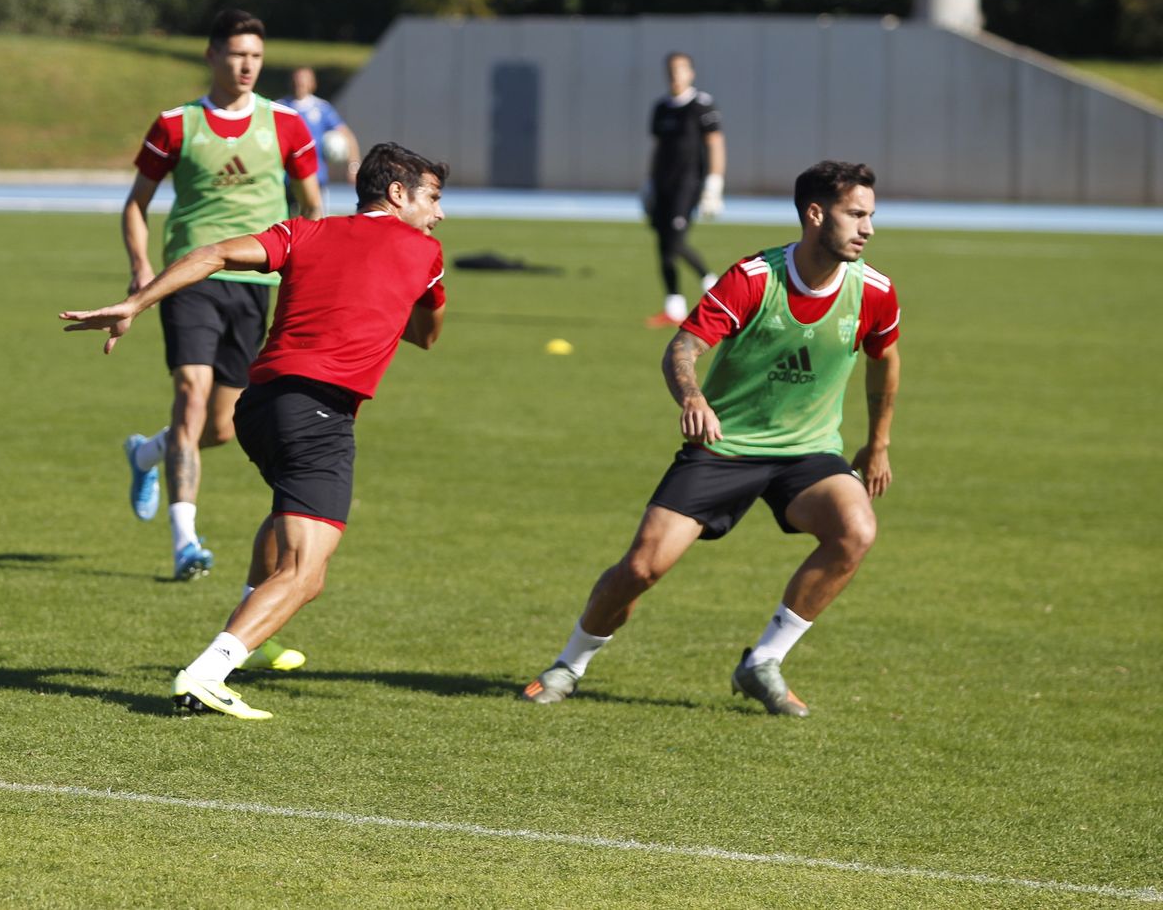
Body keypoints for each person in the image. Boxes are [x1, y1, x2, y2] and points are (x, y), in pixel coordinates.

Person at [62, 142, 448, 720]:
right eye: (433, 198)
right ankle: (207, 673)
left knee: (285, 516)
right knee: (305, 573)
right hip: (318, 412)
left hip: (258, 405)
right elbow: (427, 334)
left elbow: (214, 253)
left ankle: (254, 633)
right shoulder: (424, 252)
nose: (439, 213)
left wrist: (135, 304)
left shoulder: (305, 233)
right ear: (397, 193)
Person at [523, 160, 901, 717]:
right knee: (641, 568)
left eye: (871, 215)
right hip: (725, 446)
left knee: (855, 530)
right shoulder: (754, 278)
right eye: (856, 214)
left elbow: (884, 359)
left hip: (808, 451)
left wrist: (879, 443)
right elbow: (682, 347)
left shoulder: (874, 291)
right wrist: (693, 398)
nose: (868, 228)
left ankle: (763, 662)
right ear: (816, 214)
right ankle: (568, 664)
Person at [116, 9, 324, 588]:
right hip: (191, 277)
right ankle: (187, 541)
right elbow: (136, 203)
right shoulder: (176, 125)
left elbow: (312, 209)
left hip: (257, 286)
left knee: (224, 426)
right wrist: (142, 265)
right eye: (236, 54)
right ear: (212, 56)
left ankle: (148, 454)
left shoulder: (285, 125)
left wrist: (305, 278)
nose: (247, 65)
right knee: (190, 391)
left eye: (255, 55)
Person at [643, 52, 726, 328]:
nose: (675, 75)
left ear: (691, 73)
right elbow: (657, 149)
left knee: (676, 240)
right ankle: (674, 306)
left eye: (680, 70)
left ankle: (713, 285)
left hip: (687, 183)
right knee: (663, 245)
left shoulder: (701, 105)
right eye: (671, 70)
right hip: (663, 184)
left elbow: (715, 144)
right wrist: (649, 183)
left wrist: (714, 184)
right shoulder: (661, 108)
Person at [278, 66, 361, 213]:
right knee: (285, 219)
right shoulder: (280, 107)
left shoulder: (322, 108)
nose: (300, 84)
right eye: (297, 80)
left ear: (312, 84)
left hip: (315, 176)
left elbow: (347, 136)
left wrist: (353, 166)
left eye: (304, 80)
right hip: (286, 177)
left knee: (313, 216)